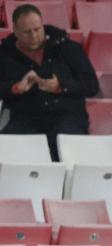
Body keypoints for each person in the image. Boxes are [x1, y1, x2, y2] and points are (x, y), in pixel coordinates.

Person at [0, 4, 98, 160]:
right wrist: (15, 88)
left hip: (68, 116)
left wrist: (61, 86)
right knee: (6, 149)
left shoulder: (68, 48)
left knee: (67, 148)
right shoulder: (4, 55)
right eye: (26, 32)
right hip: (26, 118)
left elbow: (92, 85)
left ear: (42, 25)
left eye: (37, 29)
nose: (33, 35)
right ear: (15, 31)